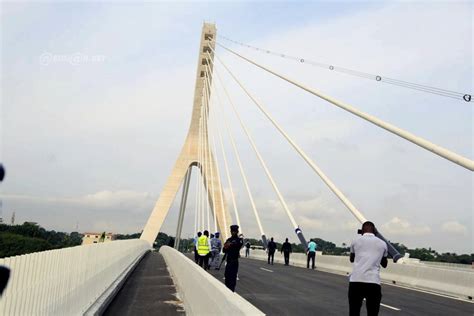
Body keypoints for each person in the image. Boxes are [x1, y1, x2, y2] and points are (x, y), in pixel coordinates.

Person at [348, 221, 388, 316]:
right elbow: (384, 264)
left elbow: (352, 259)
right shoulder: (383, 244)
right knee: (373, 312)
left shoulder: (355, 241)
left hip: (356, 281)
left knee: (354, 311)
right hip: (373, 282)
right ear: (374, 231)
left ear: (362, 230)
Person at [223, 225, 243, 292]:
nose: (233, 232)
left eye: (234, 231)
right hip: (228, 261)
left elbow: (238, 245)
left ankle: (231, 291)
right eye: (232, 231)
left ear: (237, 231)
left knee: (232, 278)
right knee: (227, 277)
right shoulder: (228, 240)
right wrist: (226, 246)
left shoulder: (239, 240)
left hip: (234, 261)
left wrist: (230, 244)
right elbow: (224, 250)